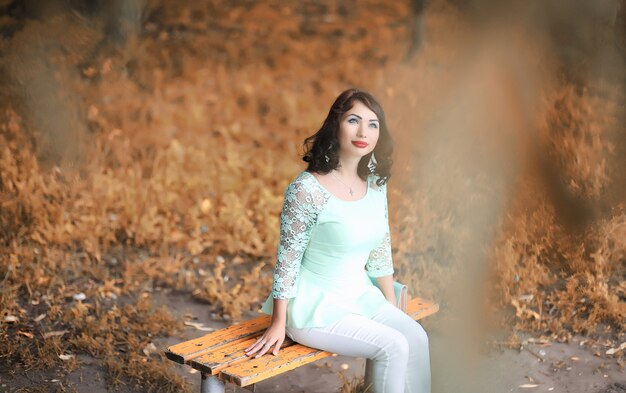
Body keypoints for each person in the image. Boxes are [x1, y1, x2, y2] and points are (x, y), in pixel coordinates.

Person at [245, 88, 431, 393]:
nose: (363, 132)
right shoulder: (306, 190)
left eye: (373, 124)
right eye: (353, 120)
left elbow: (381, 250)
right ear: (336, 125)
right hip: (314, 307)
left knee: (416, 337)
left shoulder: (375, 184)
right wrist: (279, 321)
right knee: (394, 346)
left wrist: (390, 306)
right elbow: (287, 262)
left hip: (359, 295)